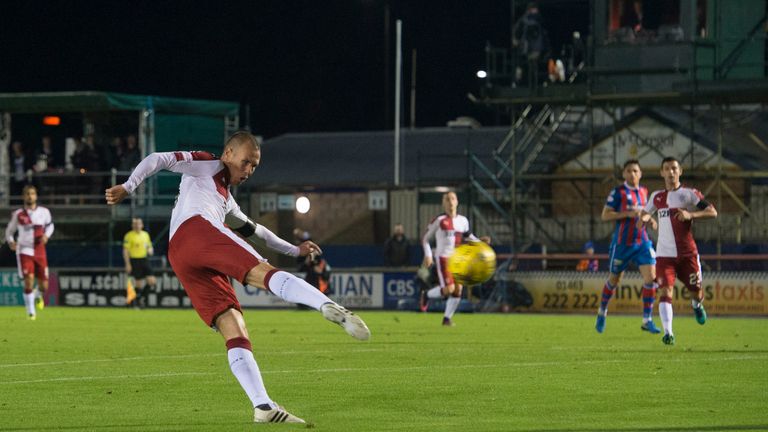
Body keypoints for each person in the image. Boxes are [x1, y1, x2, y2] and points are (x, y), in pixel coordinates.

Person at [105, 131, 369, 424]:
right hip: (197, 231)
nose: (248, 171)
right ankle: (328, 307)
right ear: (228, 154)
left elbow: (256, 231)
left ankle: (263, 406)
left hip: (181, 254)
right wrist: (129, 186)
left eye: (254, 166)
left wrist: (295, 249)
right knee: (262, 273)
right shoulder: (206, 163)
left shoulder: (227, 202)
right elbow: (160, 159)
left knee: (232, 323)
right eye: (245, 162)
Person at [638, 156, 718, 345]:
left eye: (674, 168)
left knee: (696, 292)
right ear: (662, 172)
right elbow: (642, 217)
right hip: (664, 256)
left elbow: (712, 212)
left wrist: (691, 214)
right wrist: (647, 220)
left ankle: (696, 305)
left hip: (688, 255)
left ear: (680, 171)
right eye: (667, 168)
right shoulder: (656, 197)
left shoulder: (689, 194)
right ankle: (669, 333)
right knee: (665, 291)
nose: (671, 172)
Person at [595, 159, 661, 334]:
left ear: (640, 173)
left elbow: (644, 214)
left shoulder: (644, 192)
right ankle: (602, 312)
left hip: (642, 242)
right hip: (622, 244)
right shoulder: (618, 192)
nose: (632, 174)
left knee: (652, 278)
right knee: (614, 280)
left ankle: (647, 320)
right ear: (624, 174)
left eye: (635, 171)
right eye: (629, 171)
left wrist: (651, 220)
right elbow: (605, 216)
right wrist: (627, 214)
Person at [420, 191, 480, 326]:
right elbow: (425, 239)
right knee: (449, 289)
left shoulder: (463, 221)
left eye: (452, 198)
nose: (450, 201)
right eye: (447, 199)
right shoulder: (439, 220)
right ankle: (427, 295)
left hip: (457, 260)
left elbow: (468, 236)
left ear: (457, 201)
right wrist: (428, 254)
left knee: (458, 290)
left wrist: (480, 243)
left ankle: (447, 319)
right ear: (443, 203)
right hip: (443, 259)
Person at [4, 185, 54, 320]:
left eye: (32, 194)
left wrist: (46, 236)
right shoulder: (18, 214)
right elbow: (9, 231)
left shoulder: (44, 212)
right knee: (29, 280)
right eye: (27, 194)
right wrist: (10, 241)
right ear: (23, 196)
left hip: (40, 251)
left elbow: (50, 226)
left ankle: (38, 295)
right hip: (24, 250)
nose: (30, 196)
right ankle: (31, 312)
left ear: (36, 196)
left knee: (44, 286)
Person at [513, 2, 549, 88]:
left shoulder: (534, 21)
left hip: (533, 49)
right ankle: (526, 82)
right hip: (530, 49)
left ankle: (526, 82)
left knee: (530, 67)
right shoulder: (525, 21)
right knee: (527, 67)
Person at [123, 217, 157, 308]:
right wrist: (127, 264)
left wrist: (150, 250)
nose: (137, 225)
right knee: (138, 284)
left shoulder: (145, 235)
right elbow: (125, 251)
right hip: (134, 260)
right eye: (135, 224)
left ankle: (140, 298)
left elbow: (149, 246)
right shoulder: (129, 235)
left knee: (152, 281)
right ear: (132, 225)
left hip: (144, 259)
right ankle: (133, 301)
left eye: (138, 224)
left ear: (142, 225)